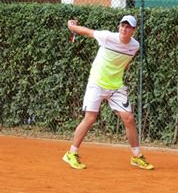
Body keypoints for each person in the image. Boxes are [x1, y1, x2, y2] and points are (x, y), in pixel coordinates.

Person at [63, 15, 154, 170]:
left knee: (129, 119)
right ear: (119, 27)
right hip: (97, 83)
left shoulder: (135, 46)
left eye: (128, 27)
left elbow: (125, 62)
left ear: (134, 30)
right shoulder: (107, 37)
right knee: (90, 118)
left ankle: (137, 156)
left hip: (116, 87)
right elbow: (89, 32)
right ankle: (71, 153)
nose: (124, 29)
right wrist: (72, 27)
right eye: (122, 26)